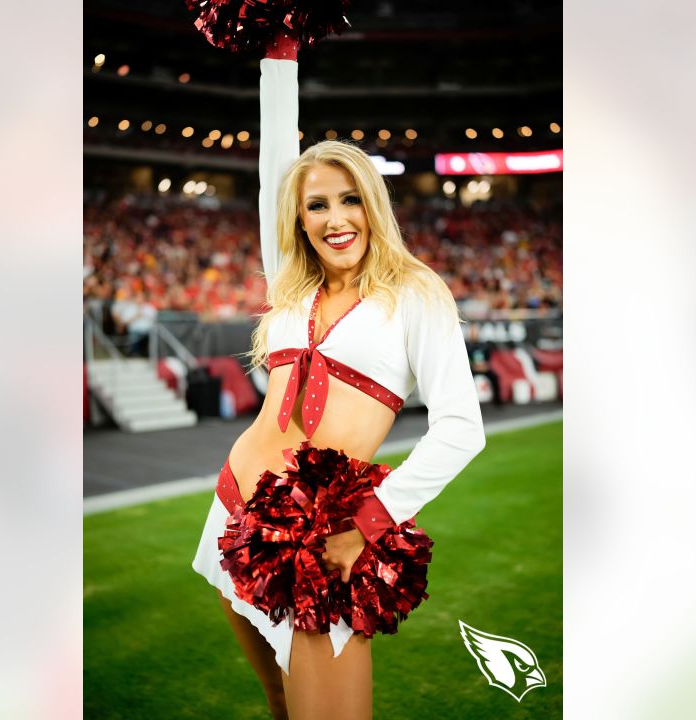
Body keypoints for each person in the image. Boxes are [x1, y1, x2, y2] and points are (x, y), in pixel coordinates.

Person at [191, 35, 486, 720]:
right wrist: (278, 52)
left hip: (324, 536)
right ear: (299, 217)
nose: (333, 218)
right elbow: (275, 173)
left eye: (348, 199)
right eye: (316, 204)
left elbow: (462, 430)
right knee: (278, 706)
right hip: (234, 506)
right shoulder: (292, 287)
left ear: (373, 204)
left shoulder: (416, 294)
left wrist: (365, 527)